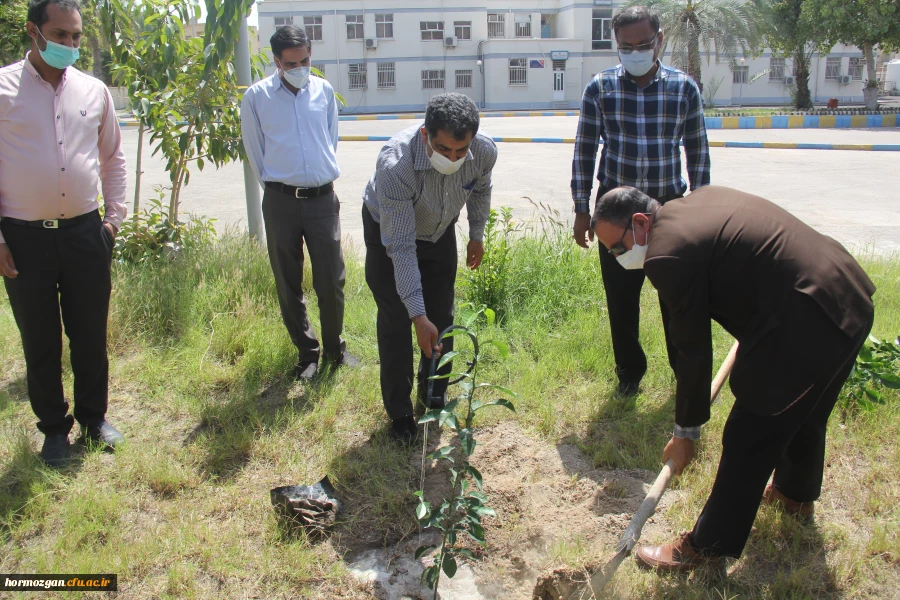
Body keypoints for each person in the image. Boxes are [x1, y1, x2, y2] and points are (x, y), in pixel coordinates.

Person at [591, 185, 876, 571]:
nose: (618, 258)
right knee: (805, 408)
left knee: (749, 431)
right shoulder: (693, 206)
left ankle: (707, 546)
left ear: (640, 223)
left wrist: (685, 432)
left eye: (617, 248)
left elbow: (691, 348)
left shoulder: (666, 250)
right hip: (846, 293)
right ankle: (794, 496)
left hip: (809, 314)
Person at [0, 0, 128, 466]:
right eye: (61, 35)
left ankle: (94, 419)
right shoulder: (3, 88)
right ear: (33, 31)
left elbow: (112, 157)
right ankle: (54, 428)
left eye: (76, 37)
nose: (70, 45)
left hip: (86, 232)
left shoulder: (94, 91)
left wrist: (113, 220)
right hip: (23, 238)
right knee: (40, 337)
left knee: (90, 331)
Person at [571, 5, 710, 395]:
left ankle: (684, 374)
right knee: (621, 296)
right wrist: (582, 209)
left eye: (643, 44)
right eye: (626, 46)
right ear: (616, 46)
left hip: (667, 207)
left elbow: (698, 153)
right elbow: (584, 150)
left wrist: (700, 210)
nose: (635, 52)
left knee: (675, 297)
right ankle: (629, 374)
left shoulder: (683, 88)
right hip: (615, 210)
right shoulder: (600, 88)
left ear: (659, 40)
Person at [362, 93, 496, 444]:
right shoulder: (396, 166)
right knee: (396, 319)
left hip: (440, 230)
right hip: (390, 232)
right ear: (426, 135)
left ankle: (433, 397)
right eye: (443, 149)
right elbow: (402, 247)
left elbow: (481, 189)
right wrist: (417, 316)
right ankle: (401, 413)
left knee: (443, 315)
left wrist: (476, 234)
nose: (452, 158)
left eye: (460, 151)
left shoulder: (483, 152)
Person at [241, 25, 357, 381]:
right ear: (276, 61)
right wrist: (281, 187)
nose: (300, 67)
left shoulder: (323, 90)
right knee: (288, 280)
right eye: (291, 63)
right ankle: (307, 352)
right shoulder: (257, 97)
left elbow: (330, 139)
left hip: (322, 199)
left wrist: (314, 178)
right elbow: (255, 152)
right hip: (280, 202)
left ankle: (335, 349)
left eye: (305, 60)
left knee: (331, 279)